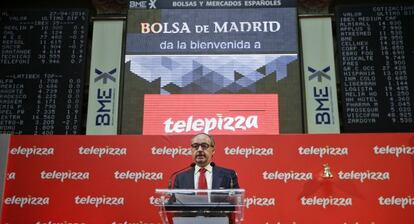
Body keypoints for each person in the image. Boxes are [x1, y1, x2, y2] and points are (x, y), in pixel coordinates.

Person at [173, 133, 239, 189]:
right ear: (191, 150)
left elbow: (236, 200)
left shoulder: (228, 175)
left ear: (213, 151)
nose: (199, 150)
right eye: (195, 146)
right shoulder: (180, 178)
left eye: (204, 146)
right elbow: (172, 203)